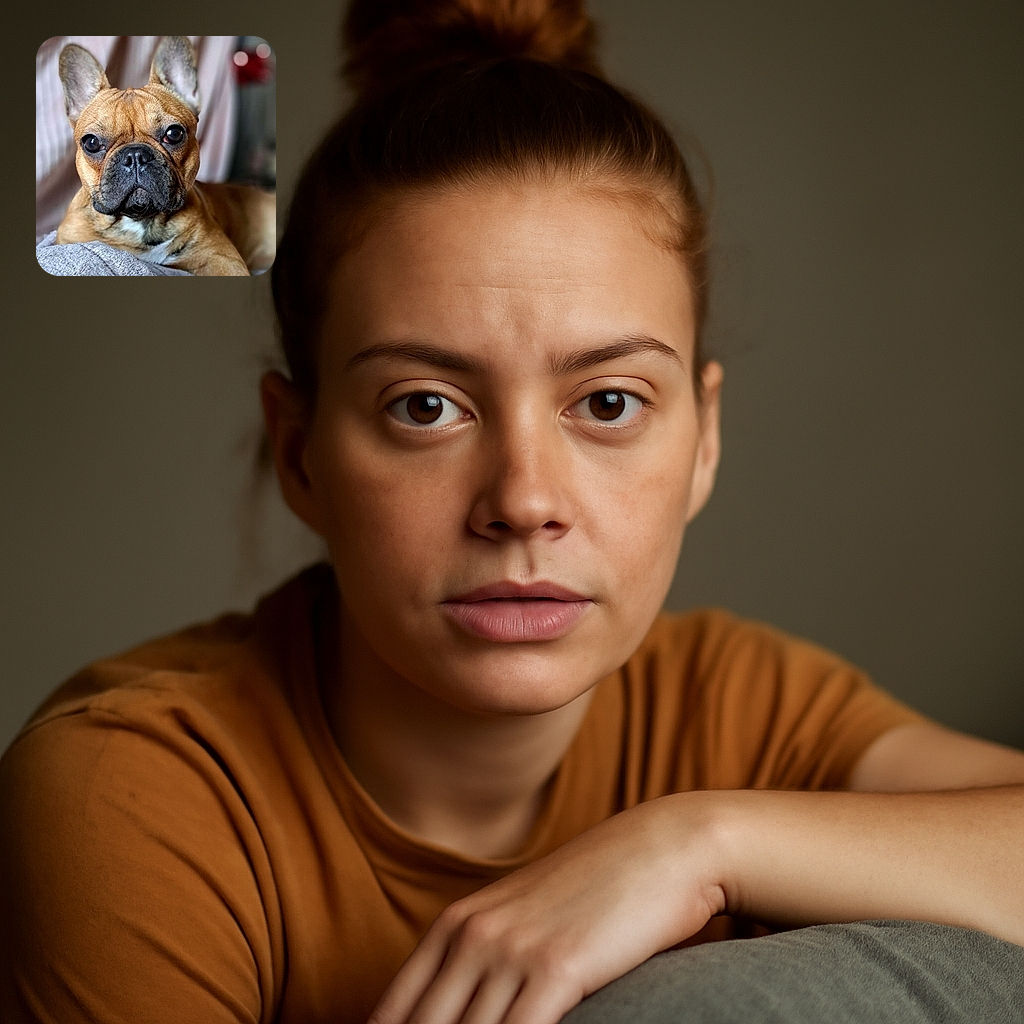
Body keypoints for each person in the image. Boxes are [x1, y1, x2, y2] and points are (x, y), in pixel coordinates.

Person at [4, 2, 1024, 1023]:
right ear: (300, 452)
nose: (524, 502)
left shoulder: (738, 713)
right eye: (425, 406)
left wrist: (699, 845)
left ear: (703, 438)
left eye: (609, 403)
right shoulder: (133, 795)